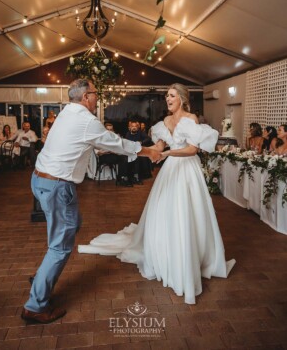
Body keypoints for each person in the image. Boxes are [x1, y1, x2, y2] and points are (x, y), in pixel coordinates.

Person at [78, 83, 235, 304]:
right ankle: (168, 253)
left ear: (182, 98)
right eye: (166, 96)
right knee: (165, 212)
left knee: (189, 213)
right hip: (170, 171)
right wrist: (142, 153)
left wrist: (168, 152)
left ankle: (190, 256)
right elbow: (159, 149)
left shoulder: (191, 119)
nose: (168, 99)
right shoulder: (163, 124)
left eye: (171, 96)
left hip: (188, 170)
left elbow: (192, 149)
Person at [21, 79, 160, 324]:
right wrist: (148, 151)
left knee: (70, 226)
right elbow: (116, 143)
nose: (98, 98)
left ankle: (44, 276)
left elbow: (79, 143)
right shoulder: (86, 120)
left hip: (40, 179)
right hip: (57, 186)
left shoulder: (66, 113)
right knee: (60, 245)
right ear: (86, 96)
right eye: (96, 94)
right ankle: (35, 305)